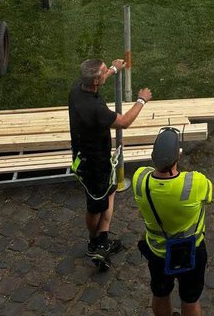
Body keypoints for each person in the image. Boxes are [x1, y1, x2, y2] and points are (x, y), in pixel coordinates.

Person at [68, 58, 153, 269]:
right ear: (96, 81)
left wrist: (115, 68)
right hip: (94, 165)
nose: (108, 72)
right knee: (95, 206)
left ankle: (102, 237)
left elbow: (100, 76)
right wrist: (141, 100)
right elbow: (123, 122)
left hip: (87, 157)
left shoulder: (77, 91)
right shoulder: (95, 108)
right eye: (105, 72)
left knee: (110, 191)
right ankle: (95, 242)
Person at [133, 127, 213, 316]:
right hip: (191, 251)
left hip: (157, 252)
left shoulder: (139, 179)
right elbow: (209, 196)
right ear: (178, 154)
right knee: (190, 299)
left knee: (160, 294)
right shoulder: (195, 182)